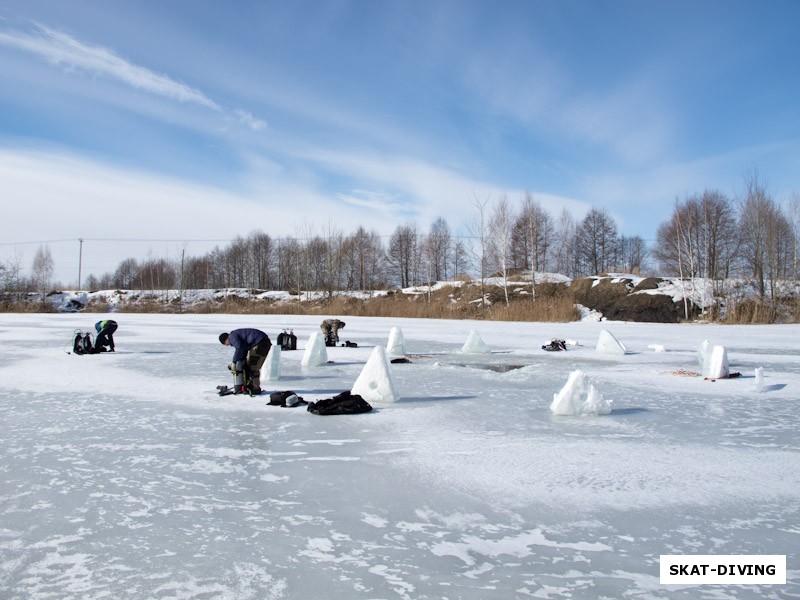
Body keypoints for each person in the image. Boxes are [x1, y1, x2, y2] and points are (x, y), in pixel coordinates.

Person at [219, 328, 272, 395]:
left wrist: (234, 362)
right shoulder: (235, 335)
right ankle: (250, 386)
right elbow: (243, 349)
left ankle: (255, 388)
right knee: (249, 364)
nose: (227, 345)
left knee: (253, 366)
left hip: (260, 343)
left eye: (225, 343)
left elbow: (240, 348)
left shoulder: (232, 337)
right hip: (261, 341)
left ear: (226, 339)